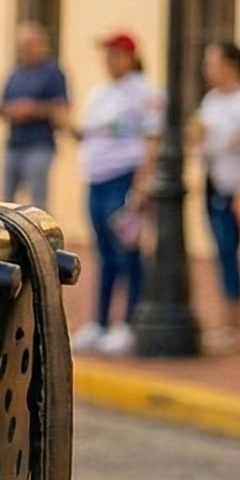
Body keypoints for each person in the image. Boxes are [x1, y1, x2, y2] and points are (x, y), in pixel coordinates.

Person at [71, 31, 160, 356]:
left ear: (131, 57)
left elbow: (153, 139)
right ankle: (101, 320)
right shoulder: (101, 92)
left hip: (123, 177)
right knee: (104, 251)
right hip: (97, 177)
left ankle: (131, 321)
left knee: (127, 252)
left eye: (115, 54)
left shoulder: (145, 93)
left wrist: (141, 186)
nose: (109, 60)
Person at [190, 40, 240, 352]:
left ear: (230, 65)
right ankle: (229, 322)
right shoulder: (212, 100)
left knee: (232, 253)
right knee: (224, 253)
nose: (207, 70)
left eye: (212, 63)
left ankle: (235, 323)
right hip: (216, 184)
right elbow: (200, 135)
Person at [0, 22, 69, 209]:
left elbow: (61, 107)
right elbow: (2, 105)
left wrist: (34, 109)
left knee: (37, 201)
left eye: (28, 44)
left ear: (41, 44)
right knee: (5, 201)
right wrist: (12, 111)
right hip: (14, 143)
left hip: (39, 144)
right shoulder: (16, 73)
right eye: (21, 46)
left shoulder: (52, 72)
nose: (24, 50)